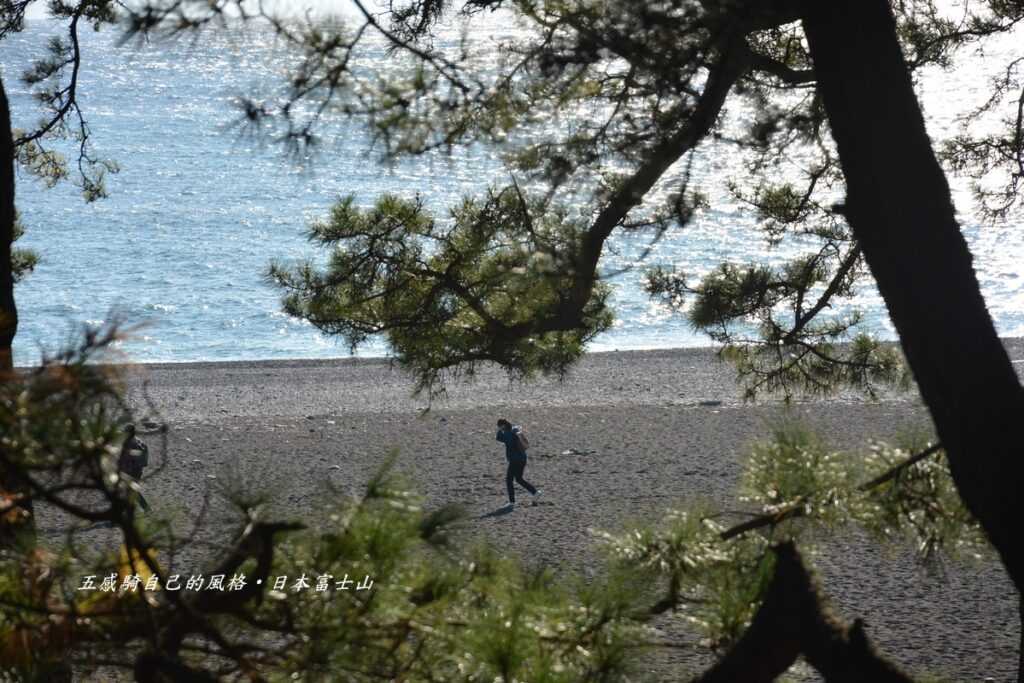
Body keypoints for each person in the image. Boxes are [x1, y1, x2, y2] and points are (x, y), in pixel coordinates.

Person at [495, 418, 541, 509]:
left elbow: (499, 438)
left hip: (514, 460)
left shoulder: (508, 433)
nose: (500, 428)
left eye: (500, 426)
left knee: (509, 480)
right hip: (523, 459)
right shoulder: (515, 430)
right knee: (519, 479)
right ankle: (535, 492)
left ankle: (512, 502)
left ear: (503, 426)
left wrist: (500, 430)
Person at [118, 423, 150, 511]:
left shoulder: (128, 443)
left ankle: (146, 508)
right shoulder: (140, 442)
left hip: (130, 471)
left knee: (130, 491)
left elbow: (124, 458)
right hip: (138, 470)